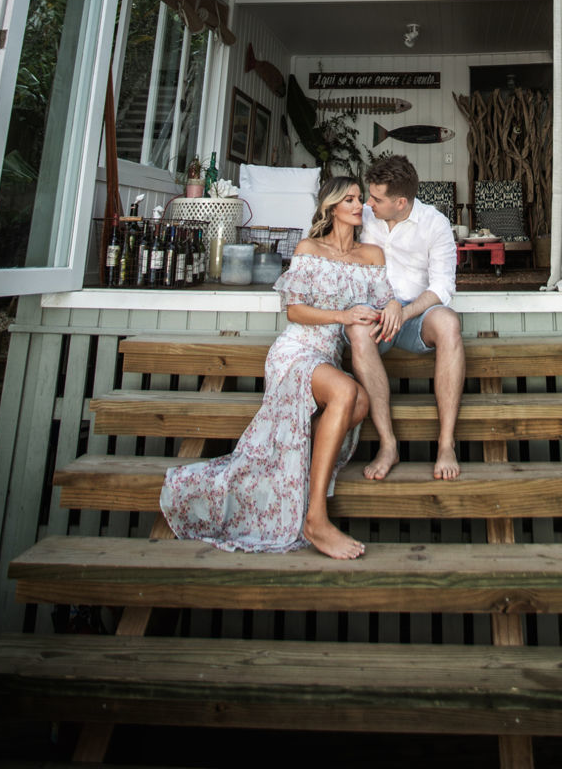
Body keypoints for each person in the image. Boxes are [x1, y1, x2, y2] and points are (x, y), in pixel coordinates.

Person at [160, 177, 392, 560]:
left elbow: (384, 304)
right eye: (348, 199)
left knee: (361, 405)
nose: (357, 205)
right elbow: (295, 310)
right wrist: (343, 314)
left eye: (358, 199)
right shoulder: (308, 248)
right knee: (346, 393)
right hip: (296, 350)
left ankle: (294, 459)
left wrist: (390, 309)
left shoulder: (372, 256)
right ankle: (316, 518)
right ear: (331, 207)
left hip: (328, 356)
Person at [346, 154, 465, 482]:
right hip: (373, 314)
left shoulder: (434, 223)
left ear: (401, 202)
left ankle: (445, 444)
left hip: (416, 315)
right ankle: (388, 444)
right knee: (357, 333)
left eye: (376, 198)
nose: (367, 203)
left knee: (449, 323)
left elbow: (443, 287)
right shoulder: (366, 217)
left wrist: (404, 309)